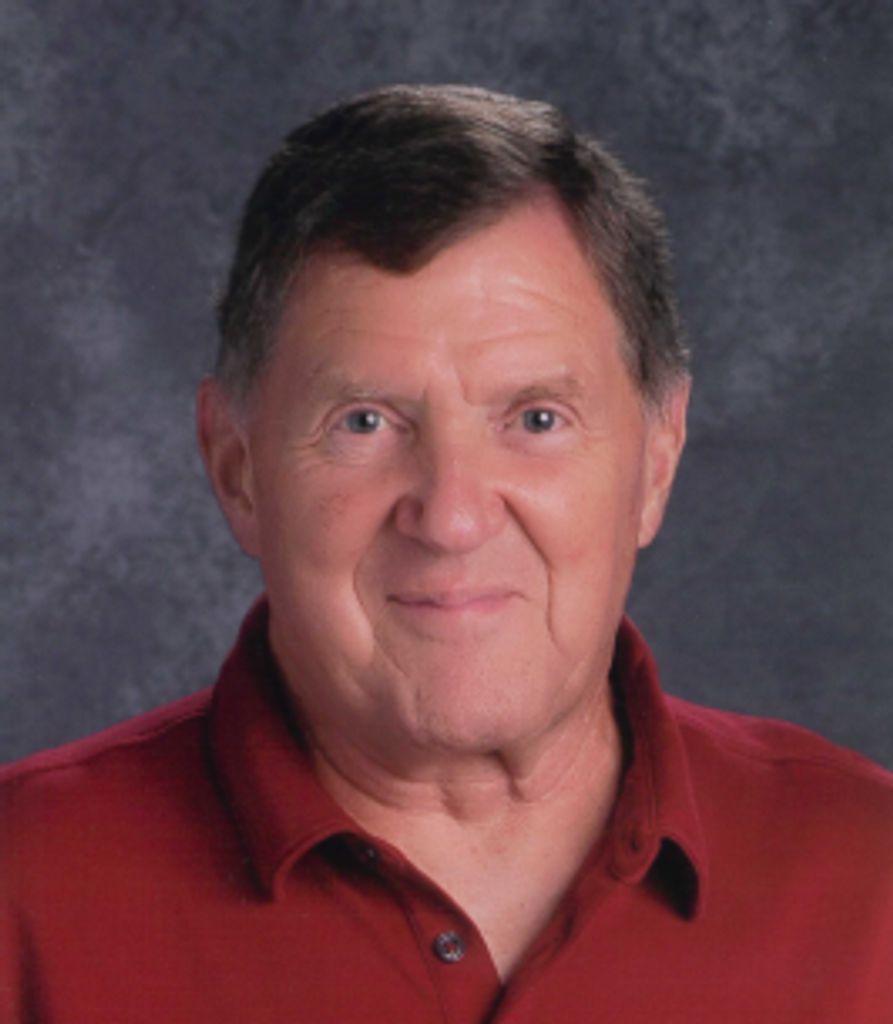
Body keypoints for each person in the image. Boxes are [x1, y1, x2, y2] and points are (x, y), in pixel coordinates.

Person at [1, 84, 891, 1023]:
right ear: (237, 470)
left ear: (657, 460)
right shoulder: (23, 898)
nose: (451, 516)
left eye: (536, 419)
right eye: (363, 422)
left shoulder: (869, 885)